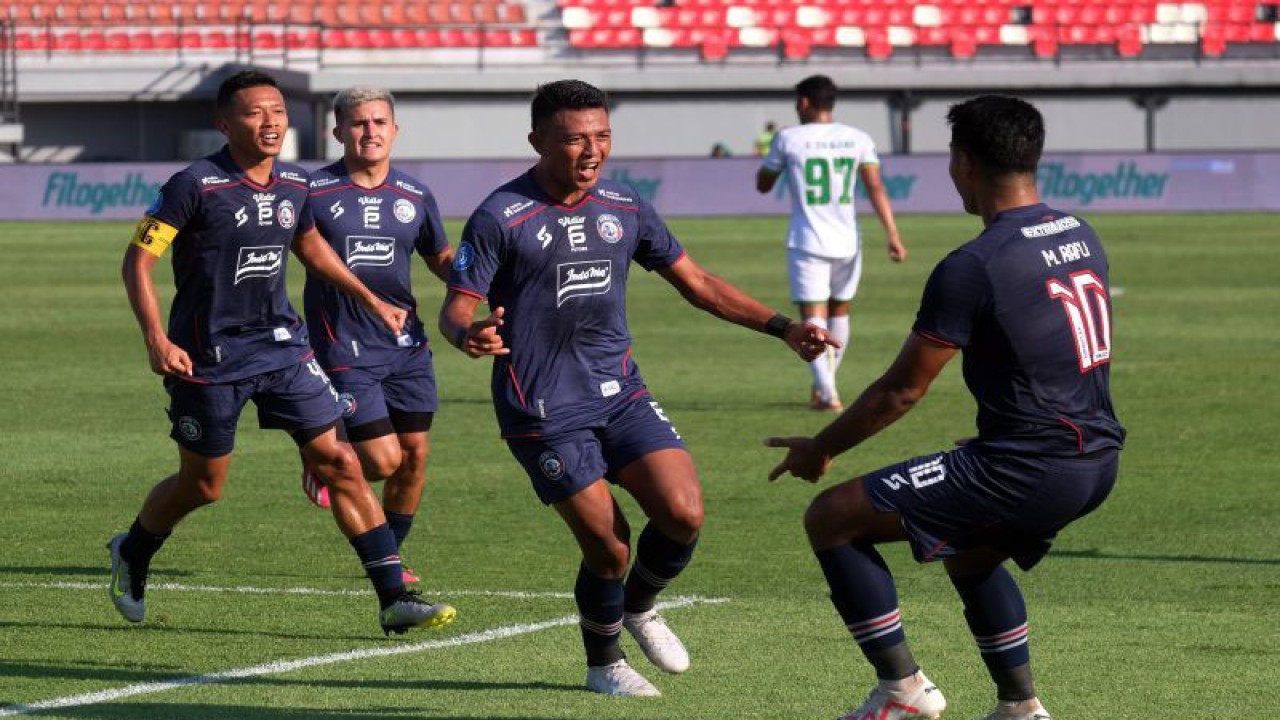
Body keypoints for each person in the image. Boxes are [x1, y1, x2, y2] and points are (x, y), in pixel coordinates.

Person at [439, 79, 837, 697]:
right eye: (575, 139)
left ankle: (640, 605)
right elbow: (456, 308)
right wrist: (469, 334)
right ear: (538, 140)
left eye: (602, 136)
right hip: (542, 406)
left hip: (620, 391)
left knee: (683, 513)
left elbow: (698, 283)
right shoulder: (500, 216)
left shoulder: (624, 206)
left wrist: (783, 327)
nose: (592, 150)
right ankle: (604, 664)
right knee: (609, 547)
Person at [765, 95, 1125, 720]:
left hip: (1030, 465)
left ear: (964, 163)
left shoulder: (973, 264)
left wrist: (821, 448)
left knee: (832, 516)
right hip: (1096, 458)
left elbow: (902, 390)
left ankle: (902, 690)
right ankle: (1020, 707)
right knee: (971, 549)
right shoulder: (1078, 231)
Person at [108, 70, 456, 637]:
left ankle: (394, 598)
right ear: (225, 125)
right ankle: (134, 548)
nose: (269, 122)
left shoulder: (295, 182)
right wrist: (156, 339)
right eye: (254, 113)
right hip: (208, 358)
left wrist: (370, 298)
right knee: (204, 485)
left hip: (282, 347)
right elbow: (137, 262)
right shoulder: (194, 185)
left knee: (341, 462)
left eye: (277, 111)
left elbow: (310, 246)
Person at [297, 86, 454, 588]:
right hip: (342, 343)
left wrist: (484, 285)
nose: (370, 131)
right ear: (338, 131)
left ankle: (391, 558)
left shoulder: (415, 194)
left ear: (395, 130)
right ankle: (323, 455)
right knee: (383, 461)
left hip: (406, 344)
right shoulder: (312, 191)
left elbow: (440, 257)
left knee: (415, 458)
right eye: (359, 123)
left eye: (379, 122)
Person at [756, 74, 907, 412]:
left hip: (807, 240)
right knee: (840, 311)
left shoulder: (788, 138)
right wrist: (893, 235)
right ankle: (825, 384)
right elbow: (876, 188)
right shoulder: (858, 138)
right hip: (848, 240)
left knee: (812, 317)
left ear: (804, 102)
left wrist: (772, 164)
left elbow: (763, 184)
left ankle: (827, 392)